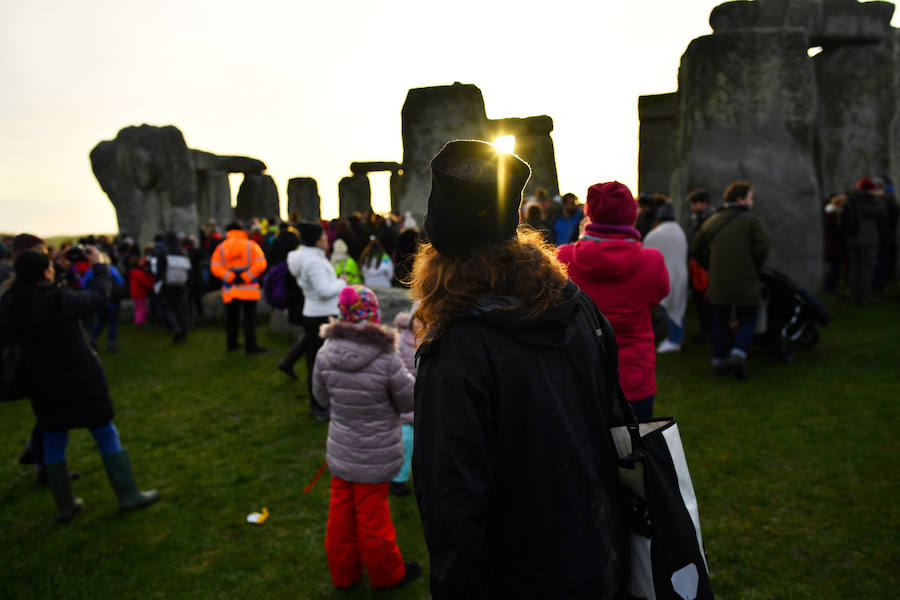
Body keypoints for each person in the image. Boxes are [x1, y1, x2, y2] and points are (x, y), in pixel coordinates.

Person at [411, 140, 627, 599]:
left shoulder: (456, 347)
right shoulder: (577, 306)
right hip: (599, 549)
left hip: (519, 572)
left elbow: (452, 501)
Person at [1, 247, 158, 522]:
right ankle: (128, 494)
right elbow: (97, 297)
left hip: (41, 380)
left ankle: (65, 505)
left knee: (53, 437)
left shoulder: (12, 303)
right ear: (45, 272)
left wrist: (57, 270)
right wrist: (99, 267)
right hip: (79, 376)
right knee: (104, 431)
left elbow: (33, 292)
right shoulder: (58, 299)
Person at [312, 284, 420, 591]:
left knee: (341, 515)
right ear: (372, 314)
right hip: (375, 452)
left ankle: (344, 574)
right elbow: (409, 400)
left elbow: (321, 397)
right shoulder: (386, 357)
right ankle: (388, 574)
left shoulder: (325, 351)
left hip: (341, 448)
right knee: (374, 518)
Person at [557, 181, 669, 420]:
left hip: (581, 372)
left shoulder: (565, 257)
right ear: (632, 215)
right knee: (635, 448)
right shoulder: (652, 261)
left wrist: (581, 238)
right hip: (635, 376)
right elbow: (658, 295)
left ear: (589, 216)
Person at [692, 180, 770, 379]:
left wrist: (711, 266)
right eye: (751, 198)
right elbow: (763, 248)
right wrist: (753, 265)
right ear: (741, 199)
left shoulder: (712, 220)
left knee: (719, 319)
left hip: (718, 279)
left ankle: (718, 361)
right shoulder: (752, 220)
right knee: (748, 317)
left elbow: (697, 249)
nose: (752, 203)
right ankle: (737, 355)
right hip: (746, 277)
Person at [287, 222, 345, 420]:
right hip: (321, 315)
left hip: (316, 313)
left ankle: (322, 401)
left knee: (318, 360)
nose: (327, 239)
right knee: (318, 363)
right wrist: (342, 281)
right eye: (324, 236)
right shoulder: (313, 262)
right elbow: (323, 290)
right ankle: (318, 405)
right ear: (316, 240)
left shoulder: (312, 258)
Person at [209, 222, 268, 353]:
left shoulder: (221, 247)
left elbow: (215, 266)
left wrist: (230, 277)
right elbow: (261, 263)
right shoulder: (250, 245)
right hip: (249, 289)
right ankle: (251, 346)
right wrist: (245, 276)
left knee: (231, 318)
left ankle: (232, 343)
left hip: (230, 289)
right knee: (249, 319)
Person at [644, 202, 689, 353]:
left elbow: (645, 255)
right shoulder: (679, 231)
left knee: (670, 309)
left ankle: (675, 340)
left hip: (665, 277)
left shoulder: (656, 233)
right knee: (677, 307)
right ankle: (676, 337)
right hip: (680, 275)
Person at [389, 309, 419, 497]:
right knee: (405, 444)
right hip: (407, 405)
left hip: (426, 404)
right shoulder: (401, 342)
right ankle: (398, 480)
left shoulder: (436, 340)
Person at [846, 178, 887, 304]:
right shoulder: (872, 199)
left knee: (854, 268)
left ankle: (854, 295)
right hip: (868, 238)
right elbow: (882, 213)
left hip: (852, 237)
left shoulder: (851, 199)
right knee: (867, 268)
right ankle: (865, 296)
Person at [155, 231, 191, 343]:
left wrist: (158, 281)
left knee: (168, 307)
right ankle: (184, 331)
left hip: (168, 284)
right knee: (182, 308)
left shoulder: (163, 252)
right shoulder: (182, 252)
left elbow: (159, 269)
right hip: (181, 284)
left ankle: (175, 327)